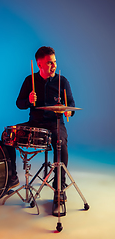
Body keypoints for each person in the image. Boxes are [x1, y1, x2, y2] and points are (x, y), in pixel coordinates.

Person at [16, 46, 75, 216]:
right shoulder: (30, 80)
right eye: (50, 63)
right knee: (7, 135)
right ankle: (12, 176)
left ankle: (59, 190)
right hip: (34, 123)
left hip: (55, 123)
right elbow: (19, 104)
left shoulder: (62, 81)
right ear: (39, 64)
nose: (54, 66)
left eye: (55, 62)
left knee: (60, 143)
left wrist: (68, 111)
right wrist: (28, 100)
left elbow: (70, 103)